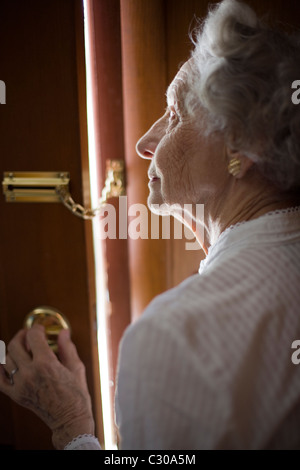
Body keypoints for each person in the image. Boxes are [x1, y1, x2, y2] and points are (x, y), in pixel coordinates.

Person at [1, 0, 300, 450]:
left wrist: (71, 425)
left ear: (242, 143)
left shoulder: (175, 338)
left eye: (175, 114)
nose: (144, 144)